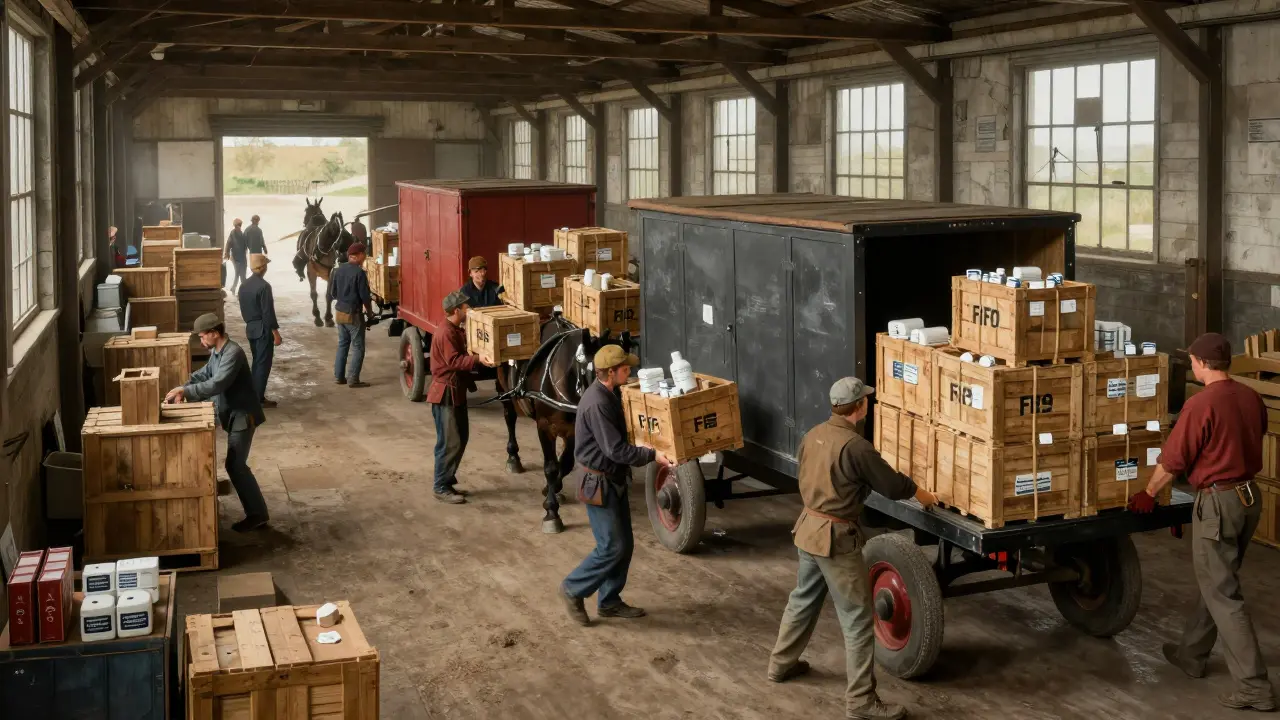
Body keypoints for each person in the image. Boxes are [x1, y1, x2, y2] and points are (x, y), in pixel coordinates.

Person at [767, 377, 938, 720]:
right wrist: (922, 494)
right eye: (866, 401)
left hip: (808, 530)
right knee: (859, 619)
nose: (868, 405)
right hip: (835, 538)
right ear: (859, 407)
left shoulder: (812, 435)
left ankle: (780, 664)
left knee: (803, 599)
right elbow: (890, 485)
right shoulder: (857, 447)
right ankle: (861, 701)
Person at [1133, 333, 1274, 712]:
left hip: (1218, 503)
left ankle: (1254, 686)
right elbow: (1255, 434)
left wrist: (1149, 493)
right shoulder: (1249, 396)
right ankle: (1191, 654)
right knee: (1216, 579)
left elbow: (1174, 460)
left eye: (1192, 360)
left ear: (1201, 363)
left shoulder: (1201, 404)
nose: (1191, 365)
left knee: (1224, 595)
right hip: (1248, 498)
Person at [561, 345, 673, 625]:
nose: (630, 371)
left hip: (612, 479)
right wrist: (652, 454)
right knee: (611, 547)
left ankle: (609, 600)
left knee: (624, 545)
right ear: (610, 373)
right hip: (599, 483)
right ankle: (573, 588)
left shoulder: (609, 393)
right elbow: (616, 451)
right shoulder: (598, 403)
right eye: (625, 369)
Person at [163, 313, 269, 532]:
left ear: (214, 333)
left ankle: (257, 514)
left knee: (236, 465)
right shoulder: (218, 352)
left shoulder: (233, 353)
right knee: (234, 465)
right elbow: (206, 374)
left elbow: (217, 383)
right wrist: (183, 386)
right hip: (231, 413)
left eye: (203, 337)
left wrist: (187, 391)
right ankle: (257, 512)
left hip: (243, 415)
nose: (201, 342)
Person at [428, 290, 490, 504]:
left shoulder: (454, 329)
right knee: (449, 442)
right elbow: (454, 361)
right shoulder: (446, 332)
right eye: (465, 307)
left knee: (460, 437)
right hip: (446, 393)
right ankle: (440, 486)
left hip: (455, 392)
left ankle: (447, 477)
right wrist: (478, 359)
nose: (468, 310)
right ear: (456, 311)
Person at [237, 254, 281, 408]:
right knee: (263, 364)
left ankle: (254, 394)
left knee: (257, 362)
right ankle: (258, 399)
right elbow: (268, 312)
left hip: (250, 327)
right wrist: (275, 333)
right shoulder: (264, 286)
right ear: (263, 267)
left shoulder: (243, 286)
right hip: (263, 329)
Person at [328, 242, 373, 388]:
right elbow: (365, 296)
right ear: (358, 255)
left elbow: (332, 293)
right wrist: (370, 313)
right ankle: (353, 379)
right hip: (353, 314)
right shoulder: (359, 272)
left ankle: (339, 377)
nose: (365, 257)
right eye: (364, 254)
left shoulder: (338, 270)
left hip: (339, 312)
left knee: (342, 344)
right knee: (358, 347)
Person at [225, 218, 249, 292]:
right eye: (237, 225)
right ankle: (239, 289)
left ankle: (236, 288)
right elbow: (228, 244)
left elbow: (246, 245)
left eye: (239, 225)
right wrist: (227, 253)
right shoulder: (232, 234)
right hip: (235, 258)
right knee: (238, 273)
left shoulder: (243, 234)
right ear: (234, 226)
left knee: (242, 274)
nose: (238, 227)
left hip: (242, 257)